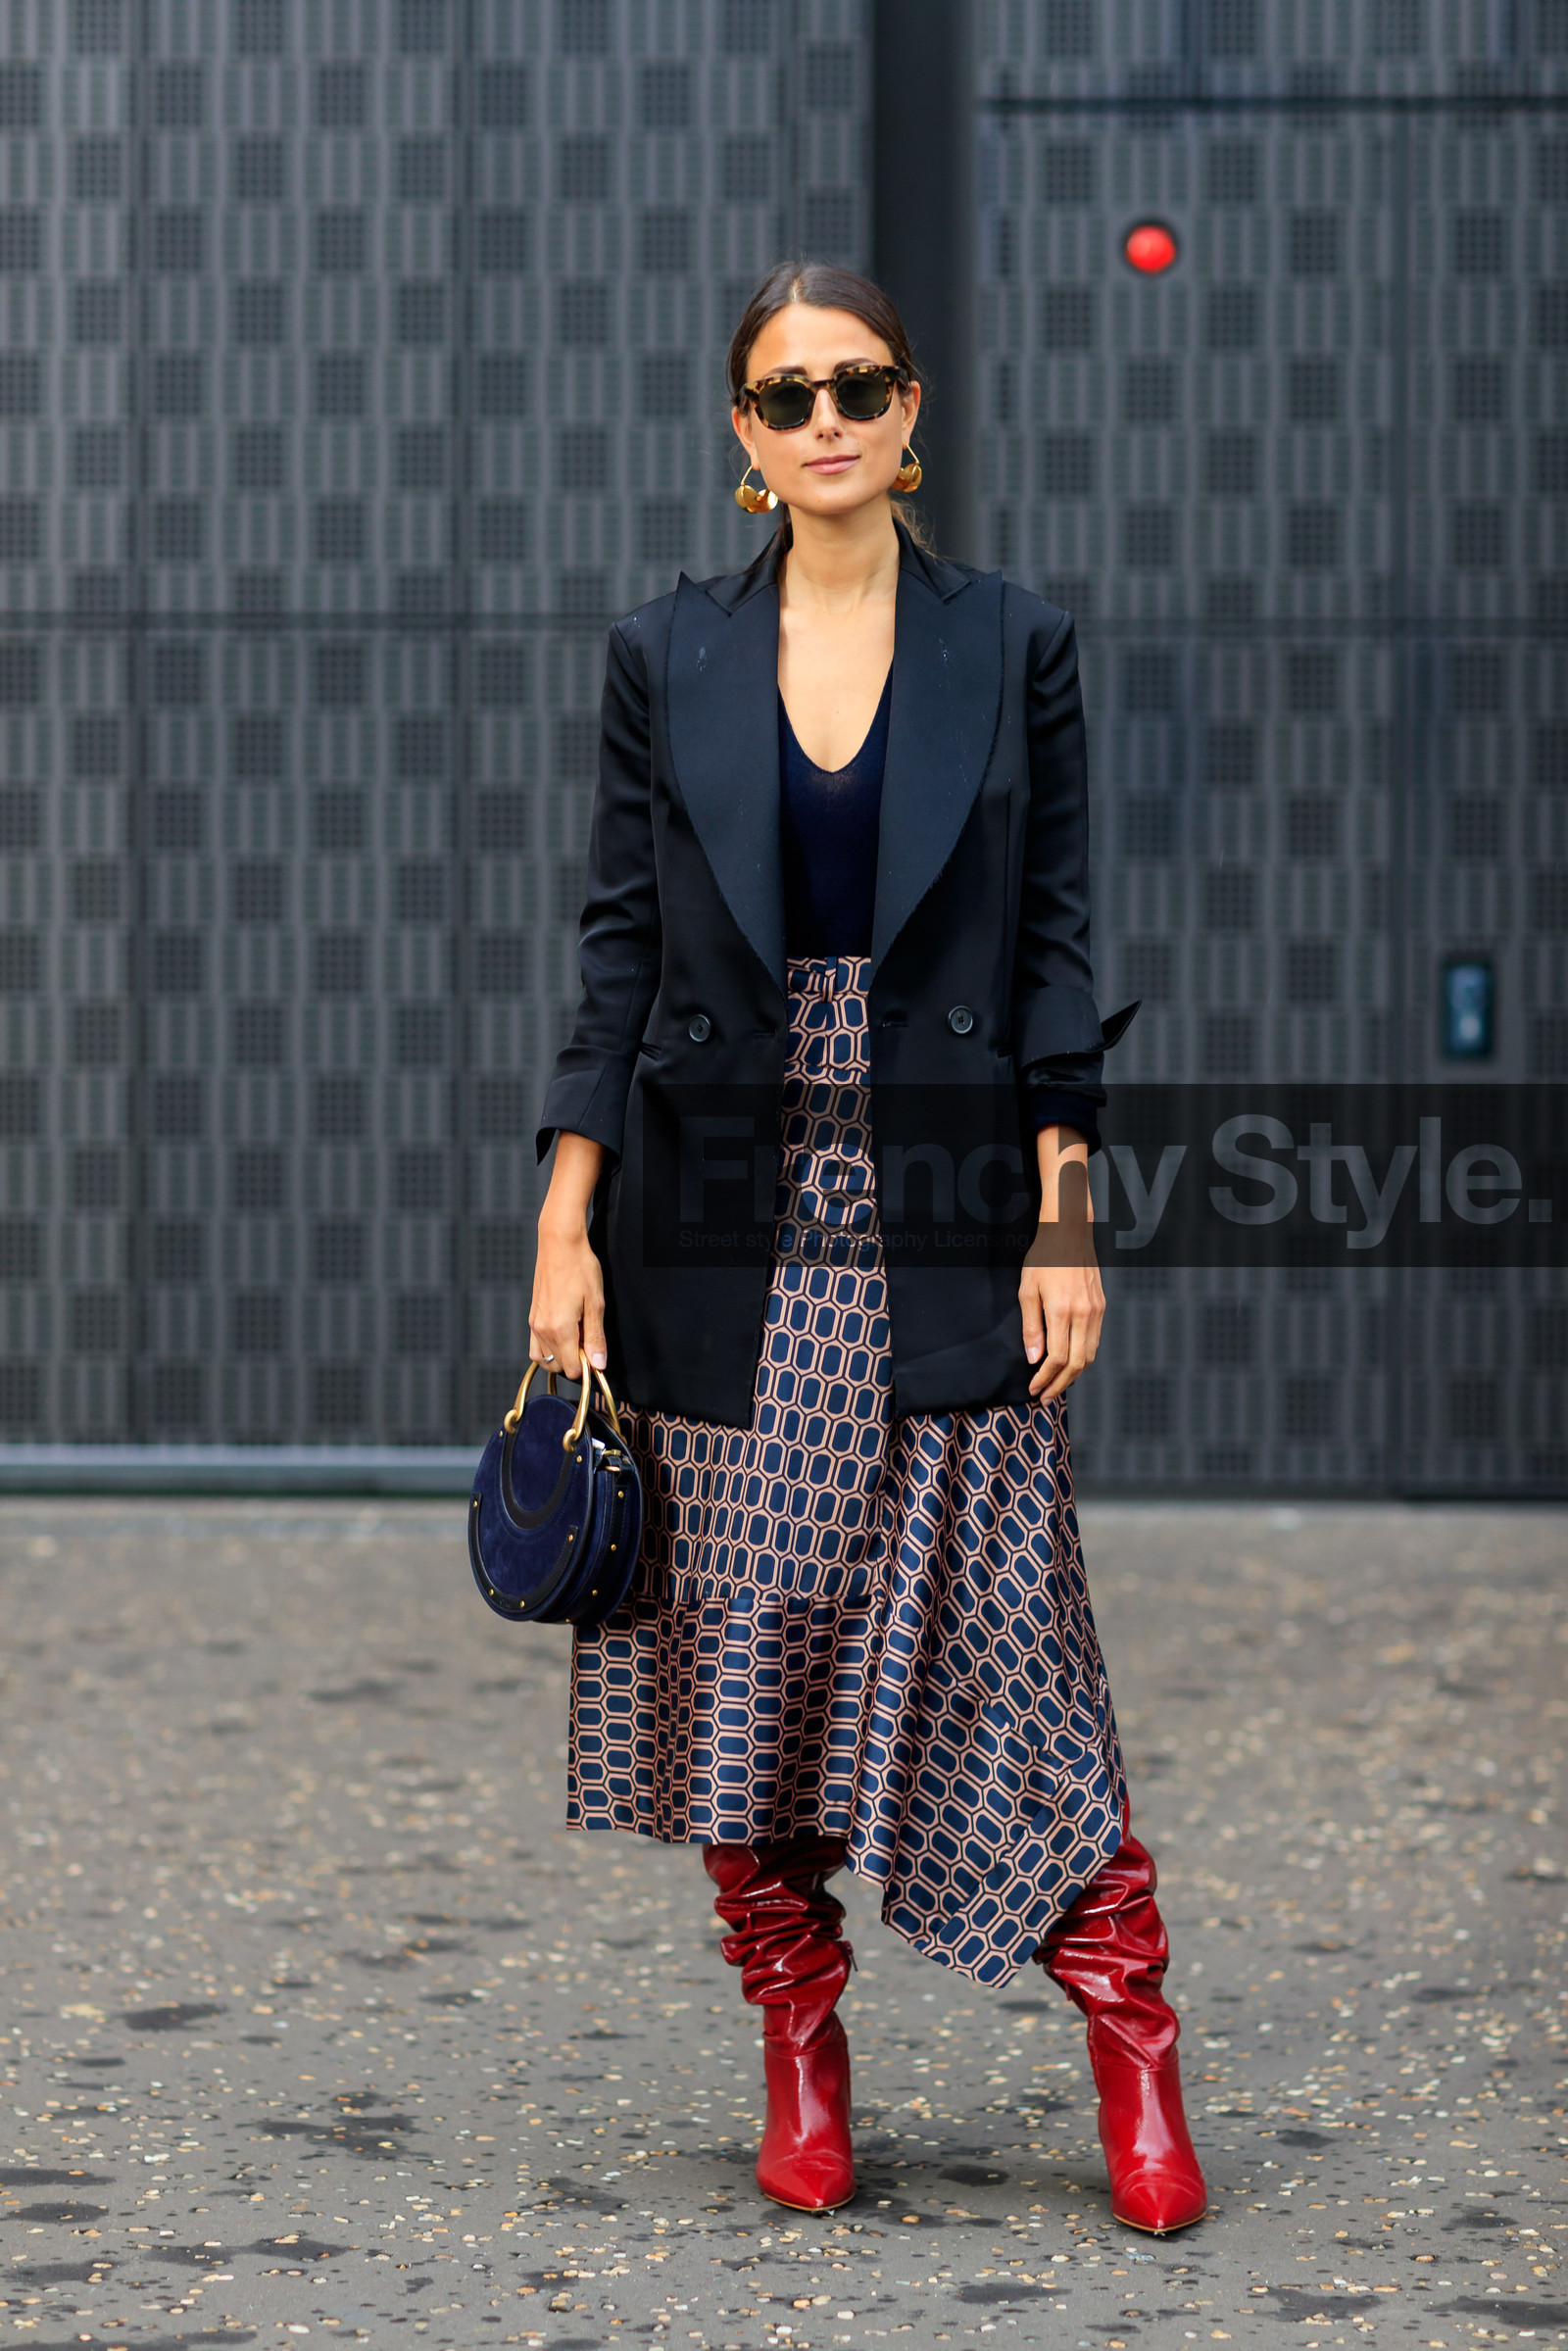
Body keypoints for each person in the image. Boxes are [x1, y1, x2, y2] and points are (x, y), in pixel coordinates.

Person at [527, 259, 1205, 2233]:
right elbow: (617, 945)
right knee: (748, 1637)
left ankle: (1131, 2044)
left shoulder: (1015, 643)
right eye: (784, 393)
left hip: (949, 1188)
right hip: (715, 1214)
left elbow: (1055, 937)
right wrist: (561, 1224)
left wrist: (1064, 1213)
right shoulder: (664, 651)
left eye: (860, 385)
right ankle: (797, 2041)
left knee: (1011, 1630)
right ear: (740, 438)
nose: (825, 419)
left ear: (914, 414)